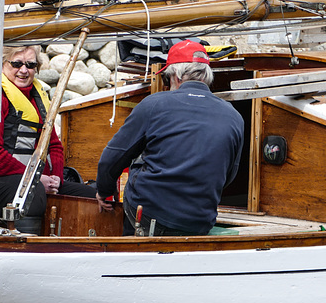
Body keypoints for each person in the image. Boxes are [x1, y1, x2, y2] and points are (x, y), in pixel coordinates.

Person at [95, 39, 244, 236]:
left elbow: (112, 158)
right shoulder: (234, 115)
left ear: (175, 76)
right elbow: (228, 175)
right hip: (200, 222)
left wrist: (104, 192)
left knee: (137, 163)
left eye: (165, 80)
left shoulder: (154, 105)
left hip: (152, 216)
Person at [0, 45, 96, 219]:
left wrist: (55, 179)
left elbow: (54, 146)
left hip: (30, 179)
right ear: (2, 64)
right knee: (33, 196)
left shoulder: (38, 97)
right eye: (16, 64)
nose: (24, 70)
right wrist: (34, 179)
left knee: (91, 196)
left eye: (30, 65)